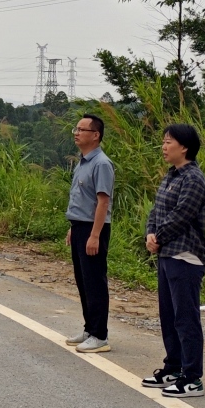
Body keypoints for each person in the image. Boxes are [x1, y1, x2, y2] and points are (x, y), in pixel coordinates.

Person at [141, 123, 205, 397]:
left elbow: (183, 215)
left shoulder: (194, 178)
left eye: (168, 142)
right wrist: (150, 233)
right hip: (168, 254)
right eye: (163, 141)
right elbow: (157, 211)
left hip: (186, 256)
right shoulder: (171, 176)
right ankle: (174, 367)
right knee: (169, 316)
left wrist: (159, 236)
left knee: (185, 318)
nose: (163, 146)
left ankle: (193, 378)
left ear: (185, 146)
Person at [63, 115, 114, 353]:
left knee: (94, 281)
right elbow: (82, 200)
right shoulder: (83, 162)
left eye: (82, 129)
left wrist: (94, 235)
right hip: (80, 226)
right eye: (76, 129)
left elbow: (103, 202)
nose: (76, 132)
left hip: (95, 228)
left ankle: (100, 335)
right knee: (83, 280)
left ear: (96, 135)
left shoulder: (101, 163)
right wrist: (74, 229)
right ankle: (89, 328)